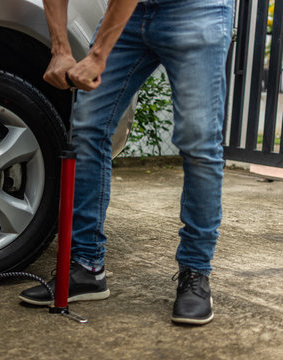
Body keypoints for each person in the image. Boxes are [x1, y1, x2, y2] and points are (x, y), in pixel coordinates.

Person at [19, 0, 234, 325]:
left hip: (196, 9)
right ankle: (87, 267)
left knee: (198, 140)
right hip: (127, 14)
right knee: (89, 126)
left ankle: (195, 271)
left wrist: (96, 57)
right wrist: (60, 48)